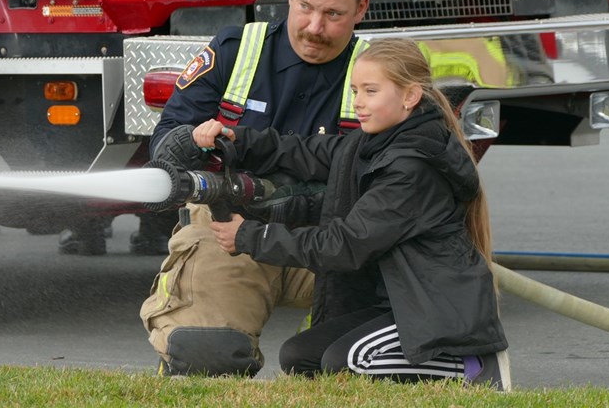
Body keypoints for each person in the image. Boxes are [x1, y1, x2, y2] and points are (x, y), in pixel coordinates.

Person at [194, 38, 511, 390]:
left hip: (432, 311)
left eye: (371, 91)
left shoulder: (413, 167)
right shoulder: (372, 141)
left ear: (410, 97)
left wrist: (249, 236)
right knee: (300, 356)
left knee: (348, 362)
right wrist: (238, 139)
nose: (358, 103)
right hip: (396, 302)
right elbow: (306, 152)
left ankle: (473, 366)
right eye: (356, 90)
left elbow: (344, 244)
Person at [139, 0, 371, 376]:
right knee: (207, 355)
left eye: (333, 15)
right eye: (305, 7)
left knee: (381, 349)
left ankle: (326, 352)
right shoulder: (233, 50)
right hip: (231, 232)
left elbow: (401, 177)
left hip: (338, 242)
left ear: (361, 9)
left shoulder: (380, 72)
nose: (314, 27)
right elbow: (165, 145)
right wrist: (194, 141)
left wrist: (301, 202)